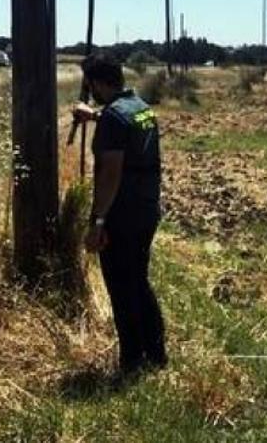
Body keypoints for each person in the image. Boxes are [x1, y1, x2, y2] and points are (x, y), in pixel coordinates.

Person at [72, 53, 168, 377]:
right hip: (146, 209)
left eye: (90, 85)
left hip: (121, 215)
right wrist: (95, 116)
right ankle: (156, 353)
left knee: (122, 287)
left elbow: (110, 172)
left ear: (97, 83)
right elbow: (120, 127)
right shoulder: (139, 107)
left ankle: (131, 360)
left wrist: (98, 222)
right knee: (139, 281)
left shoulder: (114, 118)